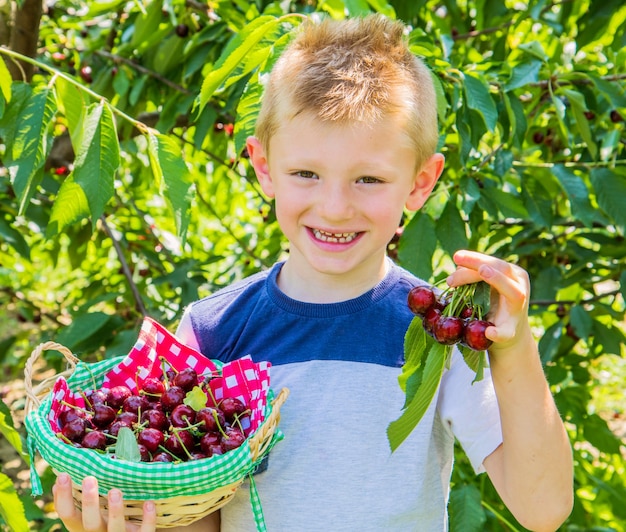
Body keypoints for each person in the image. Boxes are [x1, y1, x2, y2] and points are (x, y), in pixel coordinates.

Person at [52, 14, 573, 532]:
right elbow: (197, 516)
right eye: (306, 174)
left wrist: (514, 345)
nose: (335, 207)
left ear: (420, 183)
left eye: (368, 178)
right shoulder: (212, 333)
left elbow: (543, 507)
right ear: (263, 166)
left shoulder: (437, 333)